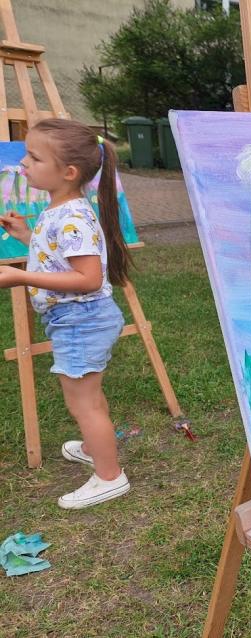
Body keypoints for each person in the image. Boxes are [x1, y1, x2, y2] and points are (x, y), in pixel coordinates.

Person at [0, 118, 132, 509]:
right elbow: (57, 256)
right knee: (89, 395)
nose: (23, 163)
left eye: (34, 157)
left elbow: (88, 278)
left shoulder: (71, 216)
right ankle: (95, 448)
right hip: (79, 319)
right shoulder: (60, 209)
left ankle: (110, 477)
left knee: (82, 403)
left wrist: (21, 276)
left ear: (69, 172)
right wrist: (26, 236)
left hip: (81, 319)